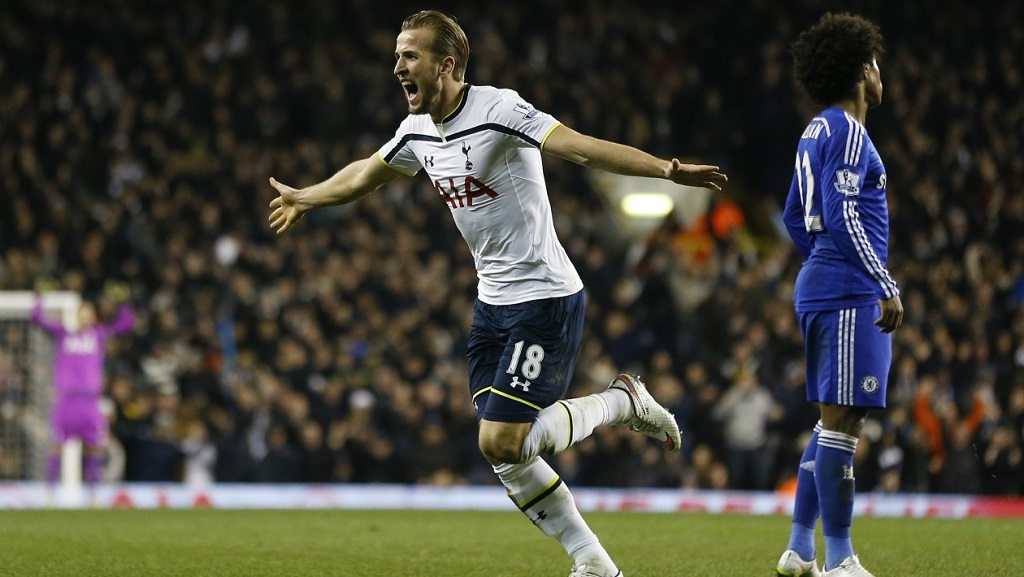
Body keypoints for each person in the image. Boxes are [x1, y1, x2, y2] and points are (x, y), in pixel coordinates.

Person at [268, 10, 726, 577]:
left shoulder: (499, 109)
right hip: (492, 306)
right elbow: (366, 174)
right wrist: (307, 198)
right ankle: (595, 564)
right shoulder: (416, 131)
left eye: (409, 55)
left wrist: (665, 168)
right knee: (499, 451)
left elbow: (579, 147)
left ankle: (621, 401)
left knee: (505, 441)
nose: (397, 67)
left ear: (447, 64)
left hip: (545, 298)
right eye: (396, 55)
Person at [776, 13, 904, 577]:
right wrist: (882, 281)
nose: (881, 75)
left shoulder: (816, 129)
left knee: (832, 424)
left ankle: (801, 547)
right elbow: (843, 213)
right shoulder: (850, 131)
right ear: (861, 72)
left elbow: (792, 215)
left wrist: (820, 264)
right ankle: (841, 559)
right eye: (875, 64)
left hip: (827, 285)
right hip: (848, 290)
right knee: (842, 426)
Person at [31, 285, 136, 503]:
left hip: (89, 402)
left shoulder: (99, 335)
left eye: (89, 313)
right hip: (66, 401)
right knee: (56, 447)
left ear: (94, 317)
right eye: (82, 313)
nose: (86, 317)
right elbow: (37, 319)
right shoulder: (63, 334)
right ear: (76, 316)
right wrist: (39, 298)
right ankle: (49, 496)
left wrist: (124, 301)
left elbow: (126, 324)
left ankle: (92, 496)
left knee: (94, 449)